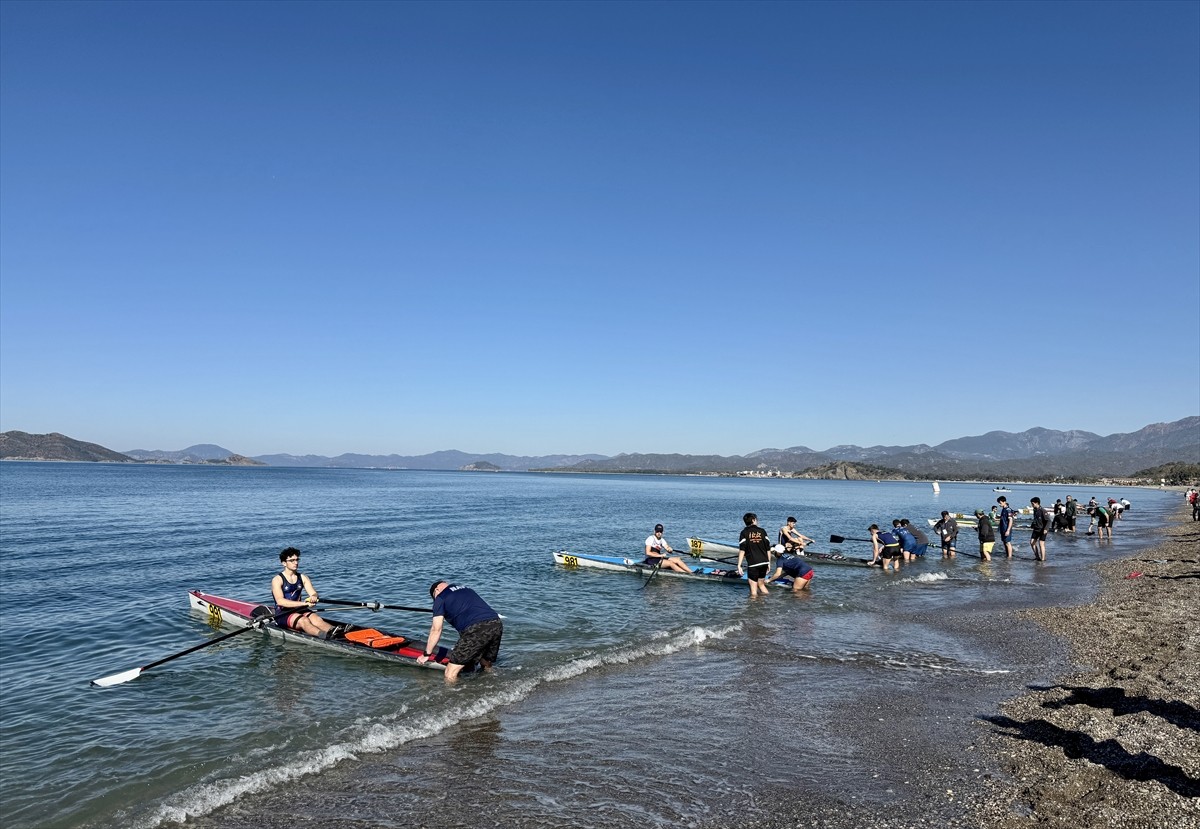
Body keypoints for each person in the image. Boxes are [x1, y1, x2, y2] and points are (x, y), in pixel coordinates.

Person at [417, 581, 503, 683]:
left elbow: (436, 629)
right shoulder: (467, 589)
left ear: (436, 590)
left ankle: (452, 697)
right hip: (496, 623)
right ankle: (492, 685)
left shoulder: (440, 598)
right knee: (486, 662)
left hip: (477, 628)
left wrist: (426, 654)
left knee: (450, 672)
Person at [270, 547, 345, 639]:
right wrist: (304, 604)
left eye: (297, 560)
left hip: (299, 610)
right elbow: (280, 601)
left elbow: (313, 593)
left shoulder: (303, 577)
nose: (296, 563)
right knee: (304, 621)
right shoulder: (277, 580)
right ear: (284, 563)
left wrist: (314, 597)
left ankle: (339, 634)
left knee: (317, 619)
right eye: (292, 560)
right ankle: (324, 636)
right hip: (283, 613)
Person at [736, 512, 773, 596]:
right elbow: (768, 549)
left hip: (753, 564)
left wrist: (739, 565)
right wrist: (769, 563)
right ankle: (769, 602)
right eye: (756, 519)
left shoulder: (744, 533)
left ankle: (754, 607)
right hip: (764, 562)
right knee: (761, 585)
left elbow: (742, 550)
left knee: (753, 591)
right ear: (753, 520)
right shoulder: (762, 531)